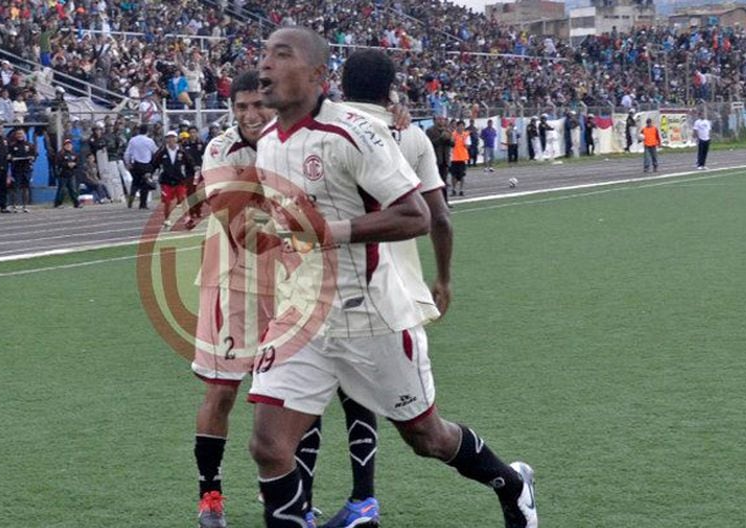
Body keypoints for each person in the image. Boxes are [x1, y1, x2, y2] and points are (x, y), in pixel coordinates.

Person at [250, 26, 536, 528]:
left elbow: (416, 216)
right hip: (303, 318)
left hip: (372, 318)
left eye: (281, 54)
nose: (265, 64)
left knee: (428, 438)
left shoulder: (355, 134)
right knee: (269, 446)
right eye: (264, 54)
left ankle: (512, 484)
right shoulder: (270, 141)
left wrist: (329, 231)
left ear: (317, 74)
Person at [320, 48, 456, 528]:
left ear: (339, 84)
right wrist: (443, 277)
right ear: (391, 90)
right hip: (399, 289)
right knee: (385, 410)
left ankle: (346, 500)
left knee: (353, 403)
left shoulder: (329, 131)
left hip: (347, 282)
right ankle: (360, 499)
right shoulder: (410, 135)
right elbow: (439, 217)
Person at [188, 70, 323, 528]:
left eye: (258, 105)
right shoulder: (221, 150)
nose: (249, 114)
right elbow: (237, 224)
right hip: (233, 285)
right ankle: (210, 497)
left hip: (291, 288)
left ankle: (298, 497)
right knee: (221, 391)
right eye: (241, 106)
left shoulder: (298, 143)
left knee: (298, 394)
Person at [153, 130, 193, 228]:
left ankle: (187, 218)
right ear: (166, 139)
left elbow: (189, 162)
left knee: (183, 199)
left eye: (173, 137)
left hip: (179, 180)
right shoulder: (162, 151)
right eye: (169, 137)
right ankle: (167, 219)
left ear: (176, 139)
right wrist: (149, 172)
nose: (171, 139)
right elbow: (154, 162)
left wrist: (191, 171)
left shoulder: (182, 151)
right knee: (167, 201)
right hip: (166, 181)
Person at [124, 124, 158, 209]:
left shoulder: (133, 140)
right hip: (146, 164)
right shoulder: (149, 141)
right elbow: (156, 151)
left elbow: (127, 153)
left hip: (136, 164)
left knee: (135, 182)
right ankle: (143, 204)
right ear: (147, 131)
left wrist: (127, 163)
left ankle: (131, 197)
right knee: (145, 184)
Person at [425, 115, 453, 206]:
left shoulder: (447, 130)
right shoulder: (430, 131)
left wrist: (448, 139)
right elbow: (430, 144)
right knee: (435, 182)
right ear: (435, 120)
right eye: (439, 119)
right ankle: (436, 202)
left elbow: (453, 144)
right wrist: (441, 139)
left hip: (445, 160)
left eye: (442, 119)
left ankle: (445, 201)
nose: (441, 121)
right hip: (436, 159)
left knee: (444, 181)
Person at [8, 128, 37, 212]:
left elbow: (34, 155)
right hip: (16, 170)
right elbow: (9, 157)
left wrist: (32, 158)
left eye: (21, 134)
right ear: (15, 135)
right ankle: (14, 206)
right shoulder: (12, 146)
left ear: (24, 135)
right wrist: (11, 158)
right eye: (18, 134)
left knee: (26, 188)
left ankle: (25, 206)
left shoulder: (29, 145)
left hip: (27, 170)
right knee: (15, 188)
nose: (20, 135)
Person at [54, 139, 81, 208]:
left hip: (71, 174)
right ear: (64, 146)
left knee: (73, 189)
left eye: (69, 144)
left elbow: (78, 162)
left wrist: (74, 164)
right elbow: (58, 163)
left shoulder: (74, 154)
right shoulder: (60, 154)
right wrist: (67, 164)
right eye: (67, 144)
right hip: (63, 174)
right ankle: (58, 204)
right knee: (62, 190)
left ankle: (77, 203)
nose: (68, 146)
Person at [449, 120, 470, 196]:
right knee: (453, 175)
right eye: (460, 126)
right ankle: (453, 189)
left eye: (462, 126)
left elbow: (468, 146)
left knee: (462, 175)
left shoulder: (466, 135)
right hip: (454, 158)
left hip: (462, 158)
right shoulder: (453, 134)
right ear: (457, 127)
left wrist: (465, 142)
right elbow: (451, 144)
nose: (461, 128)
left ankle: (461, 190)